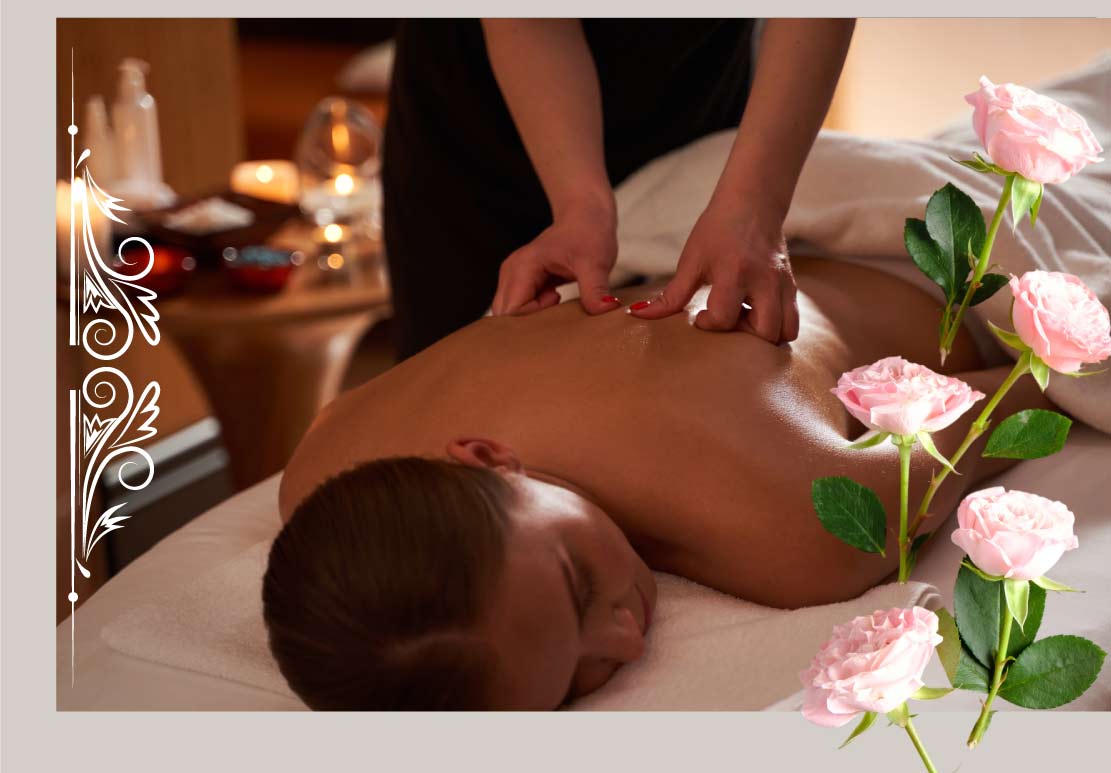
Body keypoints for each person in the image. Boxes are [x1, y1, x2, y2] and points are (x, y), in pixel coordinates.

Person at [263, 256, 1050, 710]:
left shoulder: (804, 529)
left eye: (576, 589)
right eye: (575, 680)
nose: (626, 638)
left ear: (488, 456)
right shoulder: (321, 473)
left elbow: (1024, 380)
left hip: (919, 282)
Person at [383, 19, 856, 359]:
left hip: (692, 90)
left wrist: (754, 207)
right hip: (481, 121)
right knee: (445, 383)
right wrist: (579, 206)